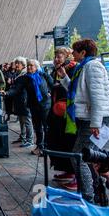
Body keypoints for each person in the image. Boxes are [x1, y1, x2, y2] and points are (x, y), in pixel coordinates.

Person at [57, 39, 109, 201]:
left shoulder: (92, 67)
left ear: (83, 53)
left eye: (75, 51)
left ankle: (87, 195)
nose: (72, 54)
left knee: (79, 156)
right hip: (87, 119)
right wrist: (65, 78)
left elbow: (97, 97)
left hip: (94, 120)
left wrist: (96, 123)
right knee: (87, 157)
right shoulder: (84, 67)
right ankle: (96, 190)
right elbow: (78, 93)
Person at [5, 59, 52, 155]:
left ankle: (47, 147)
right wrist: (7, 93)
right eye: (29, 65)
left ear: (36, 67)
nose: (29, 67)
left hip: (45, 104)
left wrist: (50, 92)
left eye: (32, 65)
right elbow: (16, 89)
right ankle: (39, 146)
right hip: (34, 105)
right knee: (38, 127)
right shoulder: (24, 78)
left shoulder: (43, 75)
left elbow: (52, 84)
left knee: (46, 127)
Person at [46, 47, 77, 184]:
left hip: (67, 113)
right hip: (56, 112)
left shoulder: (71, 68)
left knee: (68, 142)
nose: (56, 59)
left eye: (60, 56)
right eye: (56, 56)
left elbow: (71, 88)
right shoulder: (56, 71)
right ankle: (66, 170)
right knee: (57, 141)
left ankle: (74, 173)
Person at [8, 57, 34, 148]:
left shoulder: (25, 74)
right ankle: (22, 137)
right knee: (21, 120)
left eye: (17, 63)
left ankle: (30, 140)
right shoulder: (18, 74)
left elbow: (19, 88)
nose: (16, 65)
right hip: (19, 100)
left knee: (27, 120)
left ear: (23, 65)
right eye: (16, 63)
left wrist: (8, 92)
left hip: (24, 100)